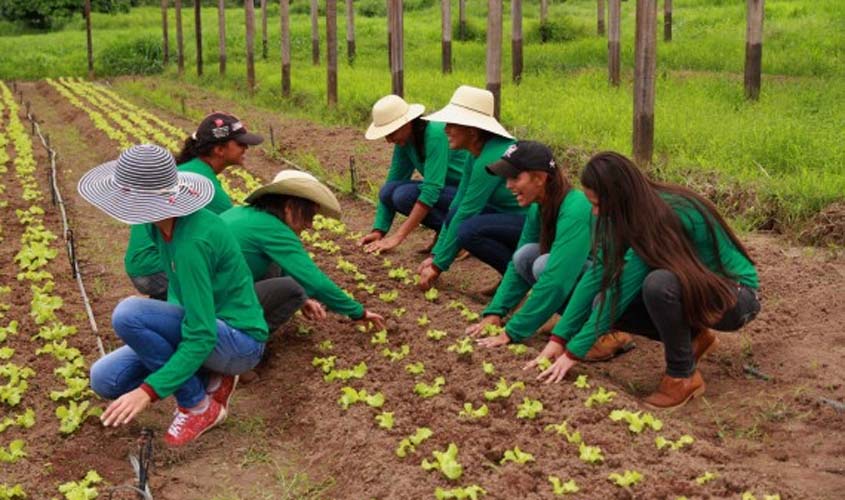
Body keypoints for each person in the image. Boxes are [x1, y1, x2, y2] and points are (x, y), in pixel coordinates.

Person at [528, 151, 761, 409]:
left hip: (735, 298)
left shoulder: (662, 216)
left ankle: (682, 377)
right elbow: (598, 274)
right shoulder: (621, 215)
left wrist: (573, 352)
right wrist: (559, 339)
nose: (594, 213)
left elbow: (621, 290)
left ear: (619, 196)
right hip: (696, 292)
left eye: (597, 204)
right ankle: (695, 337)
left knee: (659, 285)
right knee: (614, 293)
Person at [82, 145, 269, 446]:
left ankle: (198, 405)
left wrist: (148, 391)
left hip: (237, 339)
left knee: (129, 314)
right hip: (205, 328)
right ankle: (208, 374)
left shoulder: (191, 242)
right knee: (105, 378)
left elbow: (202, 333)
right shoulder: (160, 226)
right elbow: (179, 296)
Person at [466, 141, 633, 360]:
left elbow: (557, 279)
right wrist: (495, 311)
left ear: (540, 178)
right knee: (524, 256)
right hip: (592, 277)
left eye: (515, 177)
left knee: (544, 264)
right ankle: (574, 319)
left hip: (621, 288)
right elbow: (516, 268)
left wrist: (512, 331)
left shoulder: (575, 209)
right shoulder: (540, 207)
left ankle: (609, 331)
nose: (508, 185)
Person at [222, 170, 386, 331]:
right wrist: (358, 312)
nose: (309, 225)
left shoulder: (241, 213)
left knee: (279, 270)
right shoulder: (272, 228)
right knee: (294, 288)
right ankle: (248, 339)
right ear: (290, 207)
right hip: (217, 305)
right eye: (309, 215)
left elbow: (286, 268)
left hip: (205, 296)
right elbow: (315, 281)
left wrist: (303, 300)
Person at [124, 112, 263, 300]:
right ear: (219, 150)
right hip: (156, 270)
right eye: (240, 143)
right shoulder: (202, 183)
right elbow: (235, 233)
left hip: (142, 266)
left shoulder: (186, 170)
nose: (246, 148)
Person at [416, 85, 528, 291]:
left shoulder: (491, 157)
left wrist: (438, 266)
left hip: (533, 223)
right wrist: (436, 254)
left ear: (472, 131)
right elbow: (458, 204)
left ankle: (517, 281)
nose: (445, 129)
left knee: (469, 231)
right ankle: (511, 277)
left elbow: (468, 211)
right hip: (509, 216)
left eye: (452, 124)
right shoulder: (474, 153)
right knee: (455, 214)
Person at [358, 95, 468, 254]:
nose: (389, 140)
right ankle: (448, 231)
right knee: (389, 191)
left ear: (406, 123)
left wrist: (397, 237)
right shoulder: (406, 141)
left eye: (391, 133)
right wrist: (379, 230)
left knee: (404, 195)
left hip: (469, 194)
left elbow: (432, 189)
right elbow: (393, 181)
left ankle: (456, 237)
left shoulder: (435, 134)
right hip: (449, 192)